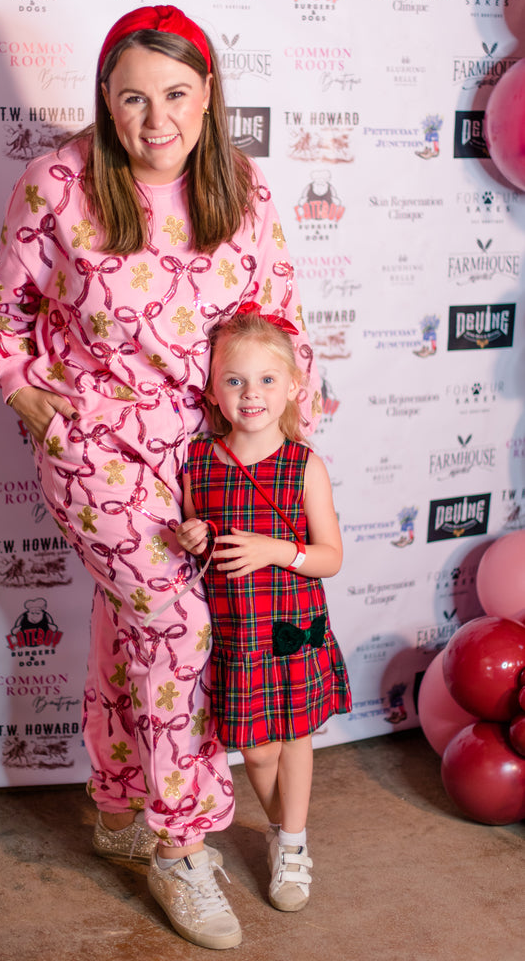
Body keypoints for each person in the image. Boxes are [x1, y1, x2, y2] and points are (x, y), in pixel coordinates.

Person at [0, 4, 321, 949]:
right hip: (97, 450)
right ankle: (181, 846)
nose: (155, 118)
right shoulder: (56, 184)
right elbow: (0, 317)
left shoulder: (239, 188)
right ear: (105, 100)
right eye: (132, 97)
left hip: (207, 451)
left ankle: (120, 802)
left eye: (175, 94)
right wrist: (35, 403)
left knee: (130, 627)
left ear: (207, 98)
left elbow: (279, 321)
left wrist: (291, 440)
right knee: (177, 623)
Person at [176, 304, 351, 913]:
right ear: (215, 389)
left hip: (290, 624)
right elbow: (198, 532)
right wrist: (192, 535)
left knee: (295, 737)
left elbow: (328, 557)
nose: (252, 394)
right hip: (236, 631)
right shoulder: (199, 461)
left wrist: (277, 550)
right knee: (256, 749)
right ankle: (282, 826)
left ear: (293, 387)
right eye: (236, 380)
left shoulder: (304, 466)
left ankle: (293, 843)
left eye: (267, 380)